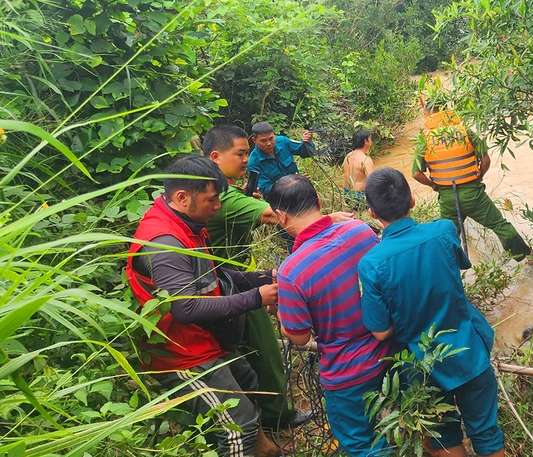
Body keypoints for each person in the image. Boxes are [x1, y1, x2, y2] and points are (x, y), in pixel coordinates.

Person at [126, 155, 281, 457]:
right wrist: (255, 298)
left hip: (206, 337)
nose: (218, 206)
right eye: (211, 200)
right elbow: (185, 309)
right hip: (182, 354)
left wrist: (263, 277)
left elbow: (212, 276)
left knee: (248, 379)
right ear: (182, 197)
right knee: (238, 425)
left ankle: (264, 450)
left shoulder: (188, 224)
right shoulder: (164, 244)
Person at [358, 168, 505, 457]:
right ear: (412, 200)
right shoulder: (443, 230)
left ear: (372, 213)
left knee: (443, 438)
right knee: (486, 433)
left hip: (421, 366)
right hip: (468, 350)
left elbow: (379, 331)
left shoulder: (371, 263)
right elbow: (458, 268)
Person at [269, 175, 395, 457]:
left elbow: (300, 336)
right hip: (393, 349)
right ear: (319, 201)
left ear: (280, 216)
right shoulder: (361, 230)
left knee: (362, 443)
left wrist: (280, 312)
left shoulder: (292, 271)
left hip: (348, 372)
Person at [202, 124, 311, 430]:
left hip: (224, 280)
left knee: (240, 354)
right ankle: (279, 416)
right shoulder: (222, 196)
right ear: (215, 157)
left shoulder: (213, 189)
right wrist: (325, 222)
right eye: (239, 153)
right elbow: (275, 216)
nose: (244, 159)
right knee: (265, 349)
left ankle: (254, 412)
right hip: (232, 282)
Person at [412, 104, 530, 260]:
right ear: (446, 111)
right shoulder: (465, 131)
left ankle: (450, 273)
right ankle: (530, 258)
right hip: (474, 195)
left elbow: (417, 174)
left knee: (448, 237)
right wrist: (479, 176)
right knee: (499, 225)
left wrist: (433, 185)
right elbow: (485, 159)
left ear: (428, 113)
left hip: (448, 199)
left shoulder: (424, 140)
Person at [248, 121, 314, 199]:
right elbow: (266, 190)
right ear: (254, 140)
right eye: (263, 141)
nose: (269, 143)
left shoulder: (283, 142)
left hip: (300, 192)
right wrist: (295, 183)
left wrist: (307, 142)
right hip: (279, 201)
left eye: (271, 138)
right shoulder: (253, 163)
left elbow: (305, 152)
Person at [342, 129, 373, 210]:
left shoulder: (348, 156)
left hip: (346, 195)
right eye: (370, 138)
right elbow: (373, 183)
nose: (371, 140)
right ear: (366, 141)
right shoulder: (366, 159)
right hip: (360, 197)